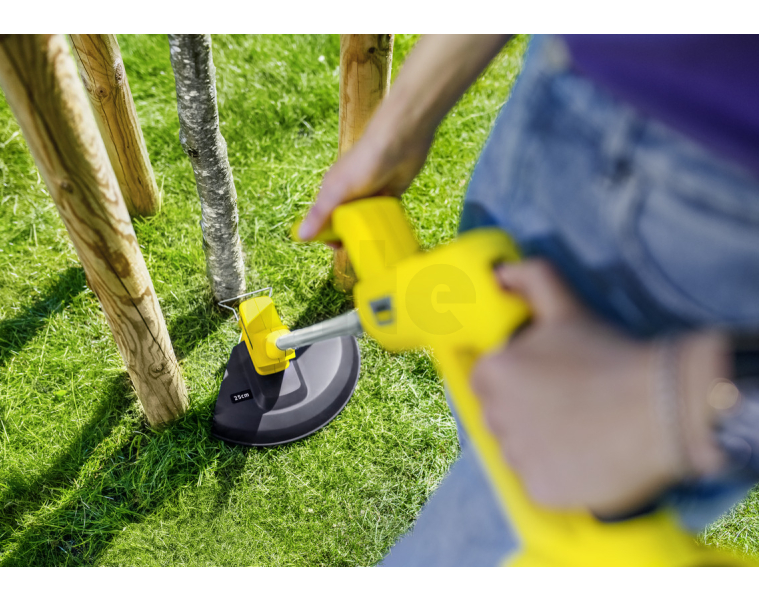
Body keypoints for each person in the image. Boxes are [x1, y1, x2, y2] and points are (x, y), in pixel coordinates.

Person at [297, 35, 759, 566]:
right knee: (494, 421)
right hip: (562, 84)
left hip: (712, 201)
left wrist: (678, 397)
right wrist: (404, 118)